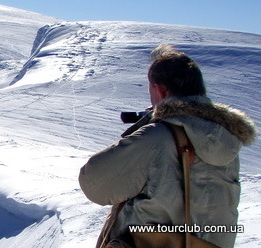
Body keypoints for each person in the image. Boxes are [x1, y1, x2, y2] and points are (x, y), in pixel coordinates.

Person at [79, 44, 256, 247]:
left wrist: (148, 126)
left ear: (161, 89)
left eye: (151, 90)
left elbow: (94, 184)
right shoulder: (225, 137)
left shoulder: (158, 136)